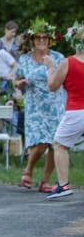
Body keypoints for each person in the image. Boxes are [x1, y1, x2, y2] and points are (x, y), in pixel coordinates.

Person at [14, 22, 65, 193]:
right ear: (32, 40)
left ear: (50, 40)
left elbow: (66, 78)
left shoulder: (58, 58)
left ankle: (45, 181)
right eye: (38, 37)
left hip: (55, 104)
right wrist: (20, 83)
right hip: (35, 105)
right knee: (41, 142)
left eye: (45, 37)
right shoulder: (24, 59)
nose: (42, 40)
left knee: (54, 144)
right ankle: (28, 168)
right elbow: (16, 80)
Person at [45, 22, 84, 199]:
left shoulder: (68, 62)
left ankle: (63, 185)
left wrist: (51, 67)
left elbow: (53, 86)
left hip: (76, 111)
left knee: (59, 145)